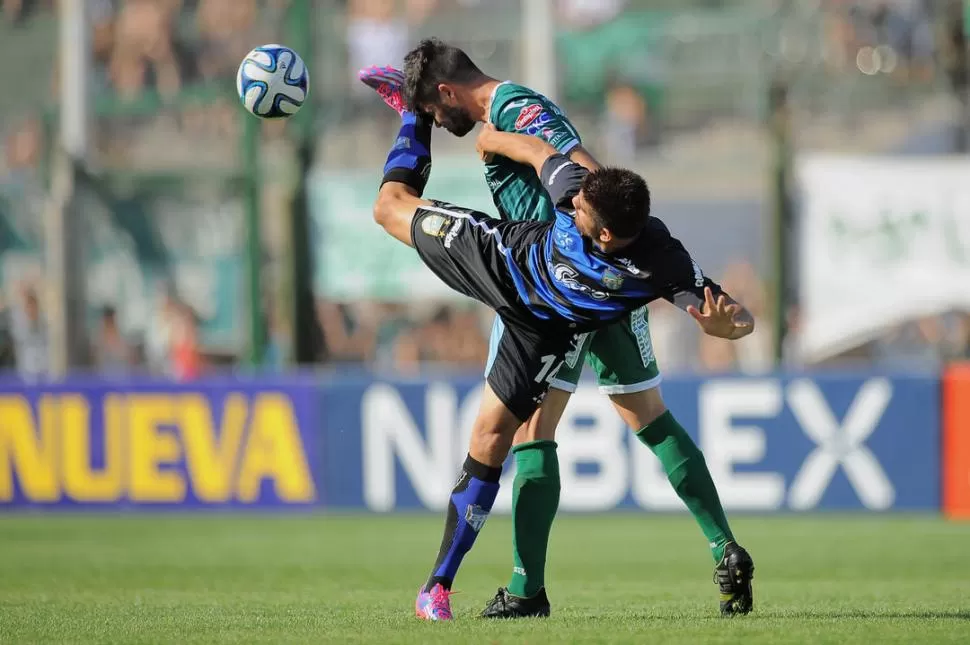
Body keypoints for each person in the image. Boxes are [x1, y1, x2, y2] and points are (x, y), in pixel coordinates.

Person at [360, 38, 754, 619]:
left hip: (550, 288)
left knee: (528, 436)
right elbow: (558, 166)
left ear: (445, 93)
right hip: (615, 288)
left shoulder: (518, 106)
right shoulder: (656, 253)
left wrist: (594, 225)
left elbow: (578, 164)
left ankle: (525, 589)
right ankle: (725, 548)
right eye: (425, 116)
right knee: (647, 415)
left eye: (432, 111)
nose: (442, 124)